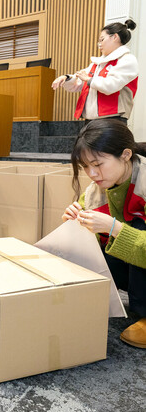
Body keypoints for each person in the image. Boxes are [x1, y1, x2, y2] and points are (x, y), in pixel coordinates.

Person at [63, 119, 146, 348]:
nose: (92, 173)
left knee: (138, 228)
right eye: (85, 166)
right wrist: (73, 221)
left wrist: (114, 228)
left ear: (126, 155)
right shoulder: (96, 190)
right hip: (133, 270)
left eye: (98, 164)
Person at [52, 20, 138, 121]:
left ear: (115, 37)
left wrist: (89, 79)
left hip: (112, 120)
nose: (99, 44)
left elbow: (111, 86)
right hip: (90, 120)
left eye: (102, 39)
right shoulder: (97, 63)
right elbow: (79, 80)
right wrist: (66, 78)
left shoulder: (127, 60)